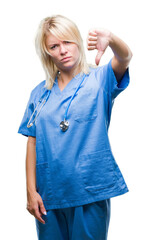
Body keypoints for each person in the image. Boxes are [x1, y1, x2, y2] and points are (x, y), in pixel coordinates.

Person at [18, 14, 132, 240]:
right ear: (46, 52)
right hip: (49, 196)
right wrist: (31, 192)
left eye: (67, 42)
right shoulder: (39, 94)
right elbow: (32, 141)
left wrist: (111, 39)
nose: (63, 50)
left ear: (78, 42)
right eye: (54, 45)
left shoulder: (100, 80)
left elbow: (125, 57)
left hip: (89, 190)